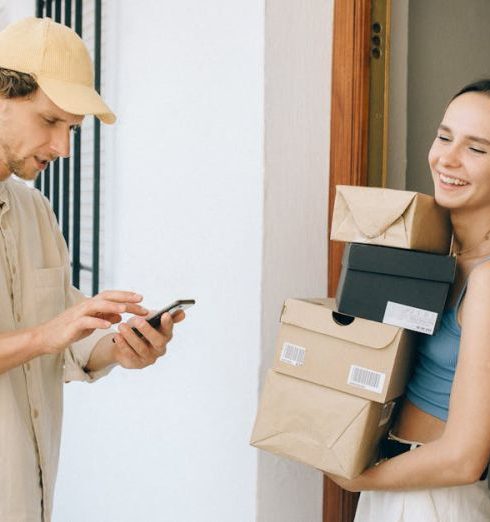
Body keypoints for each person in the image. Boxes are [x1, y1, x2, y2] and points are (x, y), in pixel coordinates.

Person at [0, 17, 184, 522]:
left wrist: (117, 348)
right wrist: (46, 334)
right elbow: (47, 335)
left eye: (72, 129)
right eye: (50, 121)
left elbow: (62, 336)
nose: (63, 147)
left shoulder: (36, 212)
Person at [326, 79, 490, 521]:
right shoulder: (441, 253)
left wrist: (358, 479)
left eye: (477, 149)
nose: (447, 159)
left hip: (434, 497)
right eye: (444, 136)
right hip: (401, 481)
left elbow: (464, 458)